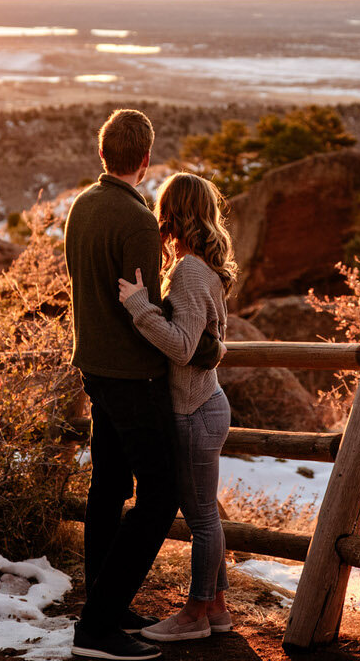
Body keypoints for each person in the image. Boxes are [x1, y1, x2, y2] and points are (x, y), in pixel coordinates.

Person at [64, 110, 223, 661]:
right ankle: (98, 627)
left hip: (96, 370)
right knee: (158, 497)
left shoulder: (81, 206)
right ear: (146, 158)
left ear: (103, 153)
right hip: (134, 377)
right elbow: (147, 311)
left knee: (108, 487)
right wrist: (207, 347)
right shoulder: (136, 221)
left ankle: (105, 607)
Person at [118, 171, 237, 642]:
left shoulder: (188, 271)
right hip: (206, 404)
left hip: (195, 410)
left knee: (202, 519)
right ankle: (219, 610)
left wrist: (140, 307)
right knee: (207, 513)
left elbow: (184, 347)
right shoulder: (202, 267)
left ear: (174, 213)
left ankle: (194, 615)